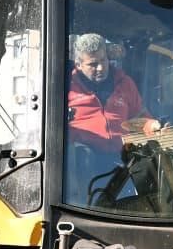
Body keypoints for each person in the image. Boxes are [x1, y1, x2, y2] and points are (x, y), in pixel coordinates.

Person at [65, 32, 158, 204]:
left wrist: (152, 125)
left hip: (120, 159)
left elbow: (140, 117)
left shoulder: (125, 83)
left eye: (103, 61)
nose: (100, 68)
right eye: (93, 64)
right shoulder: (67, 87)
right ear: (78, 64)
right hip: (82, 167)